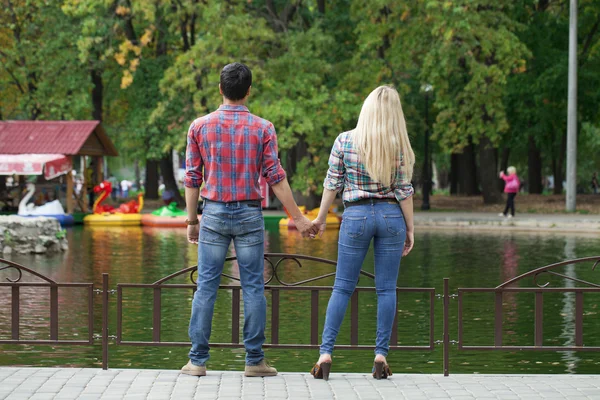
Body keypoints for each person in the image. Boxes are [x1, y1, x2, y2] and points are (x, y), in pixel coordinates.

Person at [181, 62, 316, 378]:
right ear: (248, 91)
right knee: (253, 287)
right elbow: (275, 177)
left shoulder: (199, 127)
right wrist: (297, 218)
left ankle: (197, 361)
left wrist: (192, 221)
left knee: (206, 289)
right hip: (249, 213)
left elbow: (191, 178)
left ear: (220, 89)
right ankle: (254, 361)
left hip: (212, 213)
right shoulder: (263, 128)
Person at [310, 86, 415, 381]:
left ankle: (326, 354)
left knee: (342, 287)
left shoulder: (345, 140)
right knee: (386, 289)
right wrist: (410, 228)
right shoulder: (399, 145)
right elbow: (404, 191)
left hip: (355, 216)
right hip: (390, 216)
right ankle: (381, 355)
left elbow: (332, 183)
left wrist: (319, 218)